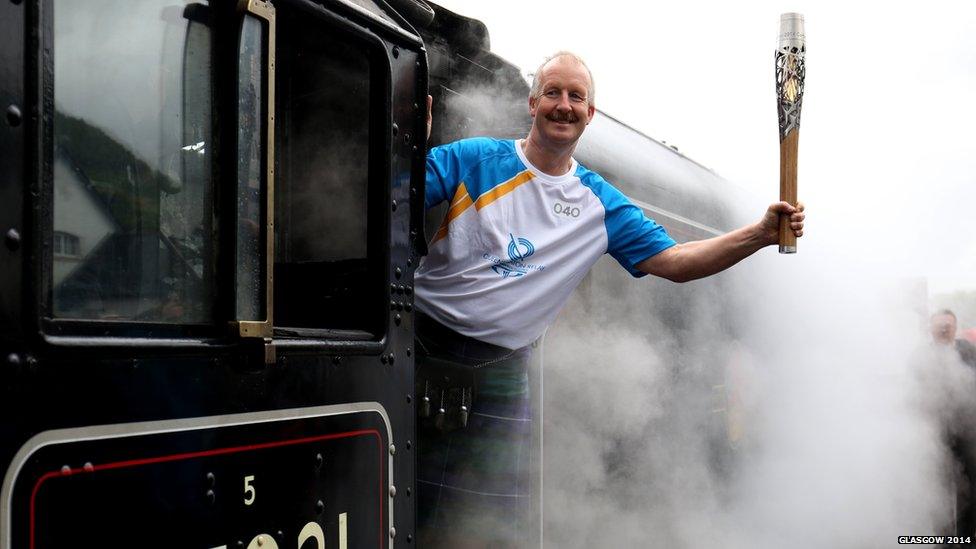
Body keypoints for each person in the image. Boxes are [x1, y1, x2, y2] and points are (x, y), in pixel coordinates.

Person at [414, 51, 805, 548]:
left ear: (589, 114)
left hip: (502, 370)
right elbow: (391, 197)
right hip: (423, 351)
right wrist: (408, 146)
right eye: (552, 93)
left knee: (494, 529)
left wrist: (759, 233)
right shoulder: (473, 159)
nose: (564, 105)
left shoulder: (599, 203)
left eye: (577, 96)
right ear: (532, 104)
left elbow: (677, 260)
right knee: (415, 513)